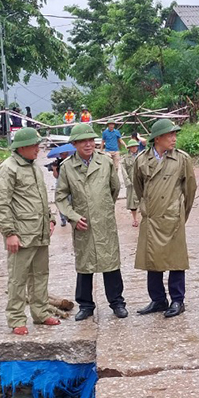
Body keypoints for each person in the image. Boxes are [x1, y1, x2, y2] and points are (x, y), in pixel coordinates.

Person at [0, 127, 60, 334]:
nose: (38, 149)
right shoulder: (9, 168)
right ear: (22, 147)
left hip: (39, 232)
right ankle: (16, 318)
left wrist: (51, 219)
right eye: (34, 146)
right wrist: (9, 233)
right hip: (21, 234)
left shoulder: (34, 167)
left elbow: (41, 197)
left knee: (40, 274)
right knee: (18, 277)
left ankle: (40, 312)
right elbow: (0, 203)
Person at [55, 123, 127, 321]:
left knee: (110, 262)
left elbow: (114, 189)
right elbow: (61, 197)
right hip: (82, 223)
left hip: (104, 221)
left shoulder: (105, 162)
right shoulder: (67, 167)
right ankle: (86, 306)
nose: (88, 144)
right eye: (83, 141)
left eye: (91, 140)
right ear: (75, 144)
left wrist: (102, 208)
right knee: (84, 266)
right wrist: (74, 217)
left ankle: (117, 303)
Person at [132, 118, 197, 318]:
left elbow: (190, 190)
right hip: (152, 217)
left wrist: (180, 214)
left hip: (173, 216)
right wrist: (148, 208)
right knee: (153, 260)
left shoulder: (182, 159)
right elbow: (138, 187)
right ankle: (158, 300)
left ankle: (178, 300)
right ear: (157, 138)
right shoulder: (141, 160)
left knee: (176, 260)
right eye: (170, 134)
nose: (174, 138)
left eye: (175, 134)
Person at [46, 149, 75, 226]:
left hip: (71, 185)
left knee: (72, 202)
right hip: (60, 185)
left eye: (65, 154)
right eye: (62, 154)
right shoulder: (58, 163)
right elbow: (56, 176)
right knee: (61, 202)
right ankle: (63, 219)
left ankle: (72, 217)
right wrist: (55, 169)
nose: (64, 155)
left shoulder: (72, 161)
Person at [122, 138, 141, 227]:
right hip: (131, 183)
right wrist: (127, 181)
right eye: (132, 147)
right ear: (129, 148)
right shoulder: (125, 158)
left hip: (141, 182)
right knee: (132, 203)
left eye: (135, 146)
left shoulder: (142, 156)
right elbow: (123, 170)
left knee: (144, 200)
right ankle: (135, 219)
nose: (134, 148)